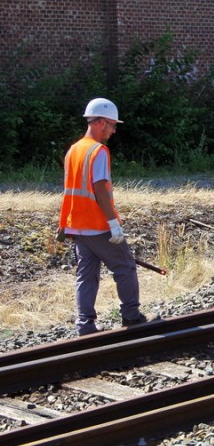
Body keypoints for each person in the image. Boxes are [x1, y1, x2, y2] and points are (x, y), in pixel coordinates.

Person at [58, 98, 147, 336]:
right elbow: (99, 188)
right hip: (97, 225)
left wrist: (63, 223)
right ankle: (131, 315)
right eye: (111, 124)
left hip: (77, 226)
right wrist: (113, 223)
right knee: (125, 267)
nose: (114, 130)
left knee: (86, 275)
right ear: (99, 123)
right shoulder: (99, 151)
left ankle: (85, 325)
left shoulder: (73, 150)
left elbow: (70, 190)